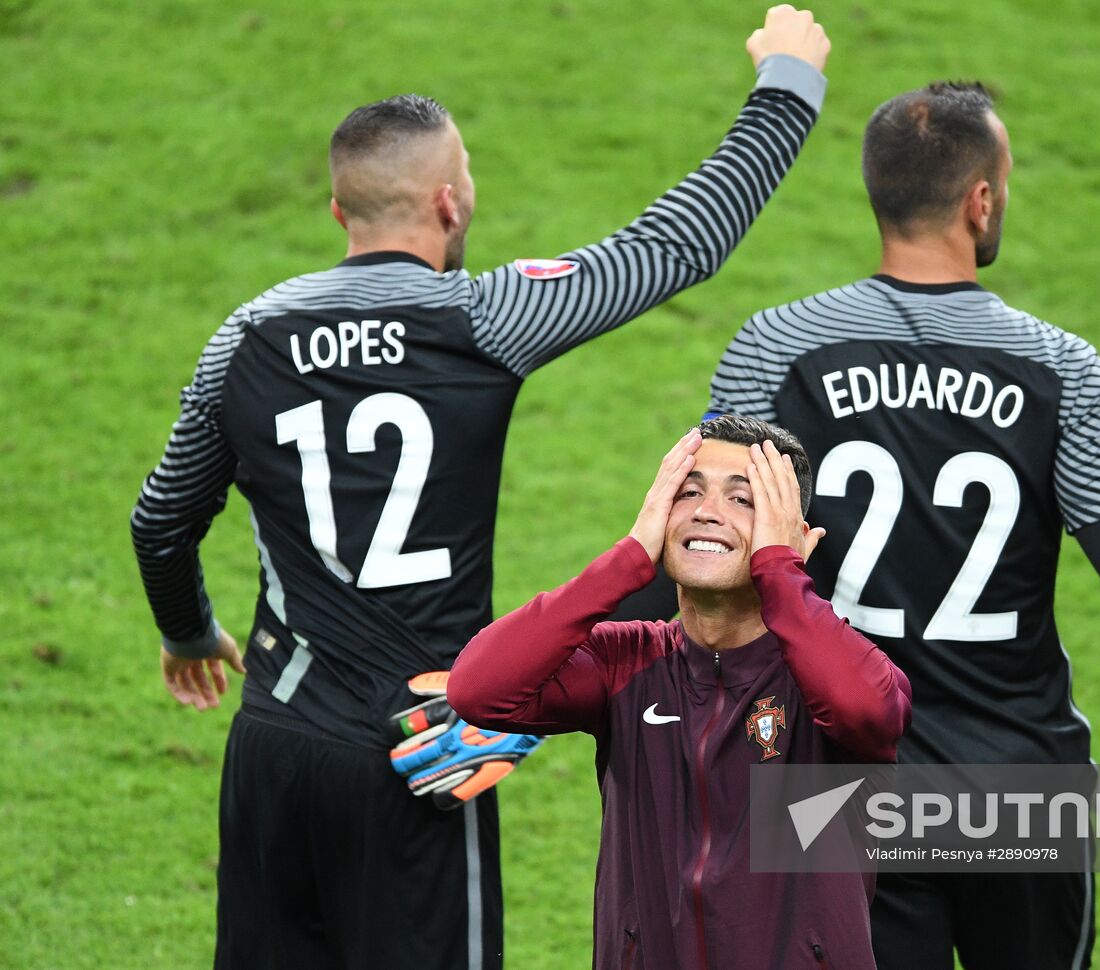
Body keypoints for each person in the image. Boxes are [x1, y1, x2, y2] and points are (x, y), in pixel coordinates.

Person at [128, 9, 832, 968]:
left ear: (341, 212)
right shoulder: (484, 318)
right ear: (450, 203)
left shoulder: (245, 337)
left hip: (275, 744)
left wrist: (184, 629)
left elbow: (162, 521)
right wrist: (788, 81)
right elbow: (679, 246)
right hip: (429, 740)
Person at [706, 82, 1100, 970]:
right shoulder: (1062, 368)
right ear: (981, 199)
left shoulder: (776, 347)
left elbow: (703, 544)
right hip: (1017, 783)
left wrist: (526, 687)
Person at [449, 417, 912, 970]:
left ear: (798, 539)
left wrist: (780, 574)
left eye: (744, 499)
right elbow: (480, 690)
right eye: (687, 492)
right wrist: (628, 558)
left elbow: (864, 709)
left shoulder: (837, 672)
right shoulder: (626, 661)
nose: (706, 511)